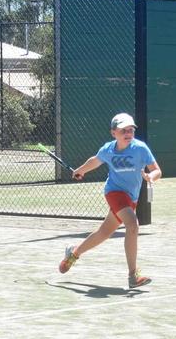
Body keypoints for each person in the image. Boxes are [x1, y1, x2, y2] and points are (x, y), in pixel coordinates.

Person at [58, 113, 162, 288]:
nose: (128, 133)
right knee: (132, 225)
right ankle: (133, 276)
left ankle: (73, 254)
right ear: (113, 133)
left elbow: (157, 170)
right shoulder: (108, 149)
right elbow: (95, 161)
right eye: (123, 130)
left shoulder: (141, 149)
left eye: (130, 130)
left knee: (104, 233)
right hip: (114, 192)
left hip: (132, 197)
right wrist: (81, 170)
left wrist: (151, 176)